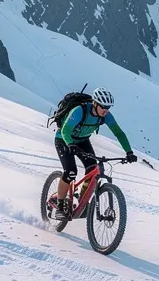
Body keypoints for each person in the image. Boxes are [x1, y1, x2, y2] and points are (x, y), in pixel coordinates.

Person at [53, 87, 136, 219]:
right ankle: (60, 206)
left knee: (93, 170)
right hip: (64, 140)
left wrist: (129, 152)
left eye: (108, 107)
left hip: (82, 141)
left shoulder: (106, 116)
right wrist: (70, 144)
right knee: (70, 172)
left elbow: (118, 133)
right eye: (103, 106)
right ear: (95, 103)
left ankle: (82, 202)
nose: (106, 110)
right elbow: (65, 130)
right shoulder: (80, 111)